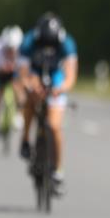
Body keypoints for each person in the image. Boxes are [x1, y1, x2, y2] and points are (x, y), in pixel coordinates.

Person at [18, 14, 77, 190]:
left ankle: (58, 169)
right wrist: (30, 86)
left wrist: (61, 88)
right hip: (35, 71)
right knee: (30, 97)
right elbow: (22, 73)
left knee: (54, 125)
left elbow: (70, 75)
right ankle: (26, 139)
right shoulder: (28, 42)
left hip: (56, 74)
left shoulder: (67, 43)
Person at [0, 26, 23, 130]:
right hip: (1, 70)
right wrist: (6, 67)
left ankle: (19, 113)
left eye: (13, 49)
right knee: (0, 91)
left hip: (14, 70)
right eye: (9, 48)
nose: (11, 51)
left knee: (18, 88)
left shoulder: (22, 48)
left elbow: (23, 67)